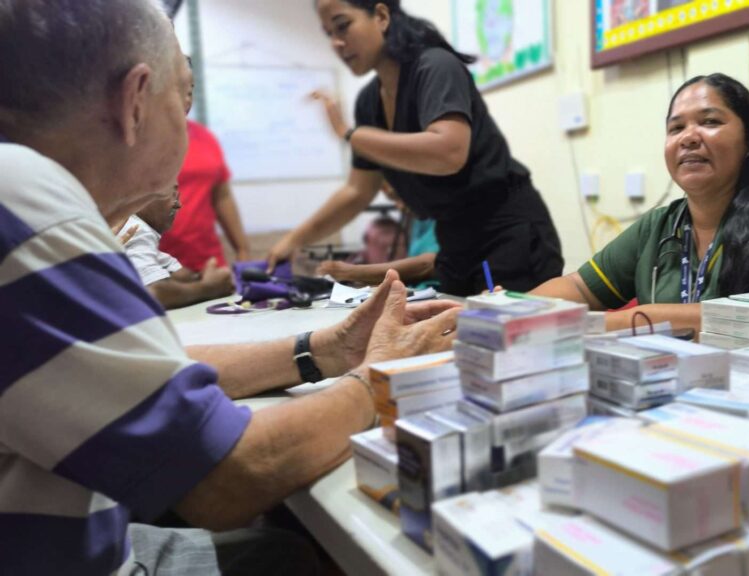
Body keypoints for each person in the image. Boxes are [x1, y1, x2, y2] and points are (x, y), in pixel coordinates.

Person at [0, 1, 460, 574]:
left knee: (284, 551)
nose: (189, 124)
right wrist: (376, 380)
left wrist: (326, 349)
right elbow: (230, 478)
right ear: (135, 102)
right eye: (183, 97)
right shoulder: (24, 197)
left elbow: (148, 366)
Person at [266, 0, 564, 296]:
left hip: (506, 229)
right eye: (328, 33)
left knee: (512, 324)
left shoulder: (435, 65)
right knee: (454, 324)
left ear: (381, 16)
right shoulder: (369, 102)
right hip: (454, 240)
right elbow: (357, 191)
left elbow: (449, 152)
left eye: (343, 26)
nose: (337, 42)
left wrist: (348, 133)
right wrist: (293, 241)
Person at [531, 73, 749, 333]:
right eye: (676, 128)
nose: (688, 137)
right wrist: (516, 310)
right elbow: (579, 287)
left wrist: (621, 322)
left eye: (710, 121)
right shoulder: (659, 226)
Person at [117, 184, 237, 309]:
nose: (178, 205)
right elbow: (153, 294)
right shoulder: (136, 229)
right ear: (141, 197)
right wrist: (209, 288)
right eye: (172, 194)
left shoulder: (135, 229)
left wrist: (201, 278)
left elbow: (178, 274)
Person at [159, 117, 251, 270]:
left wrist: (242, 250)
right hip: (153, 269)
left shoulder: (204, 136)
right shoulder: (135, 137)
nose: (186, 103)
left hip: (209, 264)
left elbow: (222, 196)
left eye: (189, 95)